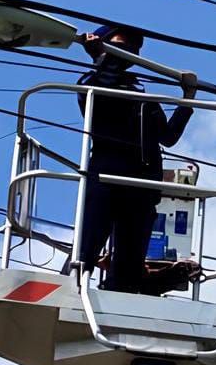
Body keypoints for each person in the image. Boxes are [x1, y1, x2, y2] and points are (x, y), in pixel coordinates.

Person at [68, 24, 196, 292]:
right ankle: (68, 287)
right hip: (107, 176)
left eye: (134, 49)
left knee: (129, 260)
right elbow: (104, 82)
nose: (130, 53)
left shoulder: (141, 94)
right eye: (122, 46)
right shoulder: (90, 83)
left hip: (142, 183)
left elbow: (168, 136)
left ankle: (120, 295)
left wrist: (187, 99)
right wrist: (100, 57)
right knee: (87, 245)